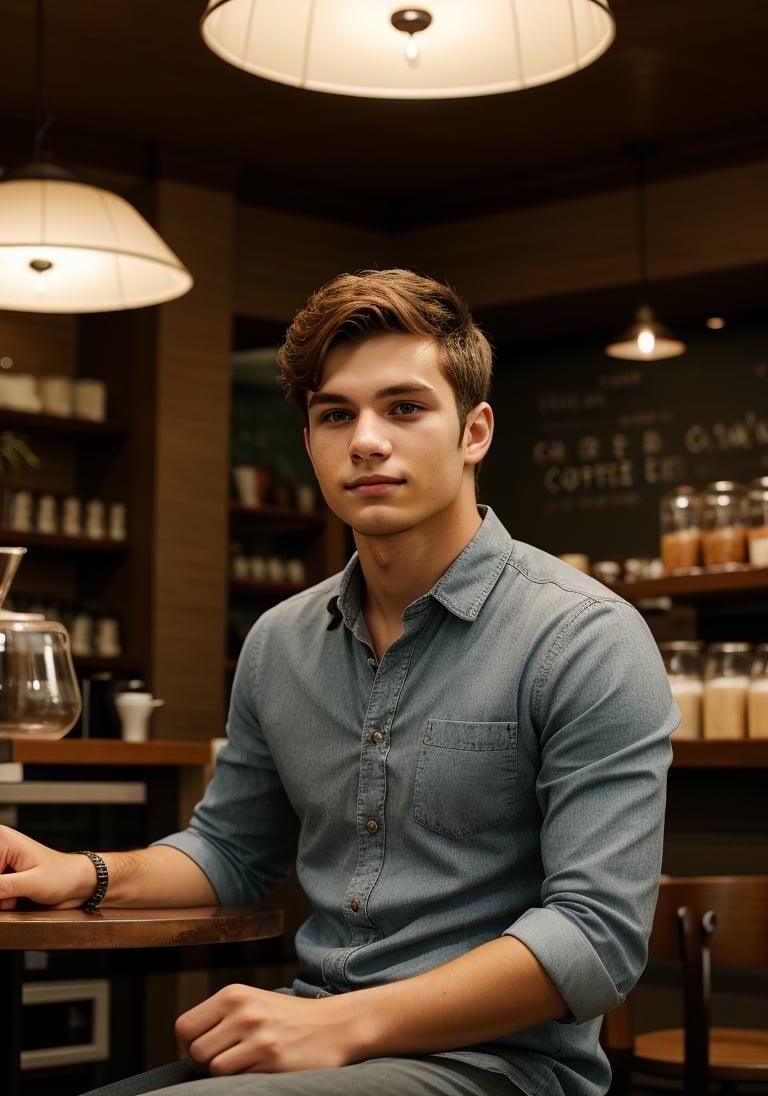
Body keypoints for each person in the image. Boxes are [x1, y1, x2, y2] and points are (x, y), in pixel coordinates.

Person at [0, 268, 678, 1096]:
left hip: (499, 1066)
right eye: (335, 415)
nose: (366, 439)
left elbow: (596, 940)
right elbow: (230, 851)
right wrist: (89, 872)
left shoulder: (584, 638)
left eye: (404, 407)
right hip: (318, 1034)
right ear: (312, 442)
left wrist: (341, 1023)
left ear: (474, 431)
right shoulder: (280, 642)